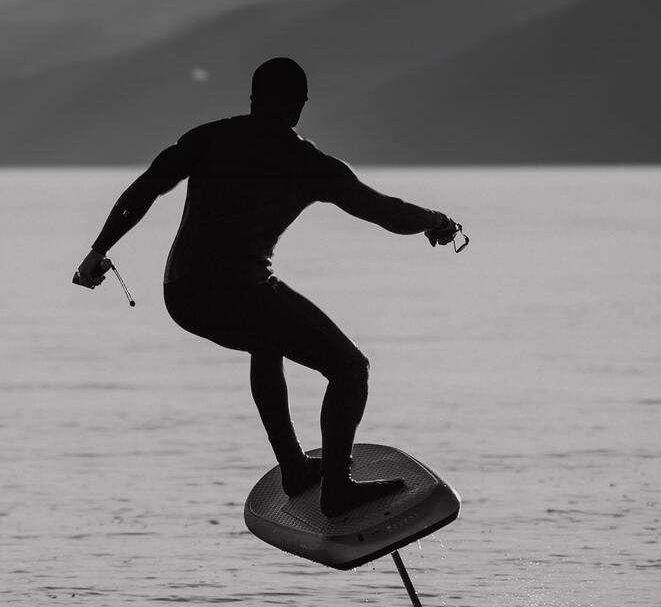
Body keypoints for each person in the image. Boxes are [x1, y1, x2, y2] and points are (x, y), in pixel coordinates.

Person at [74, 57, 459, 517]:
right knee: (350, 368)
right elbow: (384, 212)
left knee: (266, 337)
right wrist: (434, 222)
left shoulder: (208, 138)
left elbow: (145, 189)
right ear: (300, 107)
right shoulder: (310, 164)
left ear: (253, 99)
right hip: (240, 290)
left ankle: (294, 468)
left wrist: (98, 249)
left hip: (183, 294)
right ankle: (336, 489)